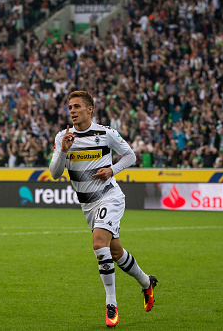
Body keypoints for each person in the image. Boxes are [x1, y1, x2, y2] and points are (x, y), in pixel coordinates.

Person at [49, 90, 157, 327]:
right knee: (115, 252)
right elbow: (55, 174)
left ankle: (111, 304)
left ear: (90, 109)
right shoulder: (63, 137)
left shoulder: (106, 133)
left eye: (77, 107)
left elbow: (131, 156)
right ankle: (147, 283)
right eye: (70, 108)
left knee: (99, 244)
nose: (72, 111)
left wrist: (112, 170)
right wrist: (63, 150)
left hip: (110, 196)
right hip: (87, 205)